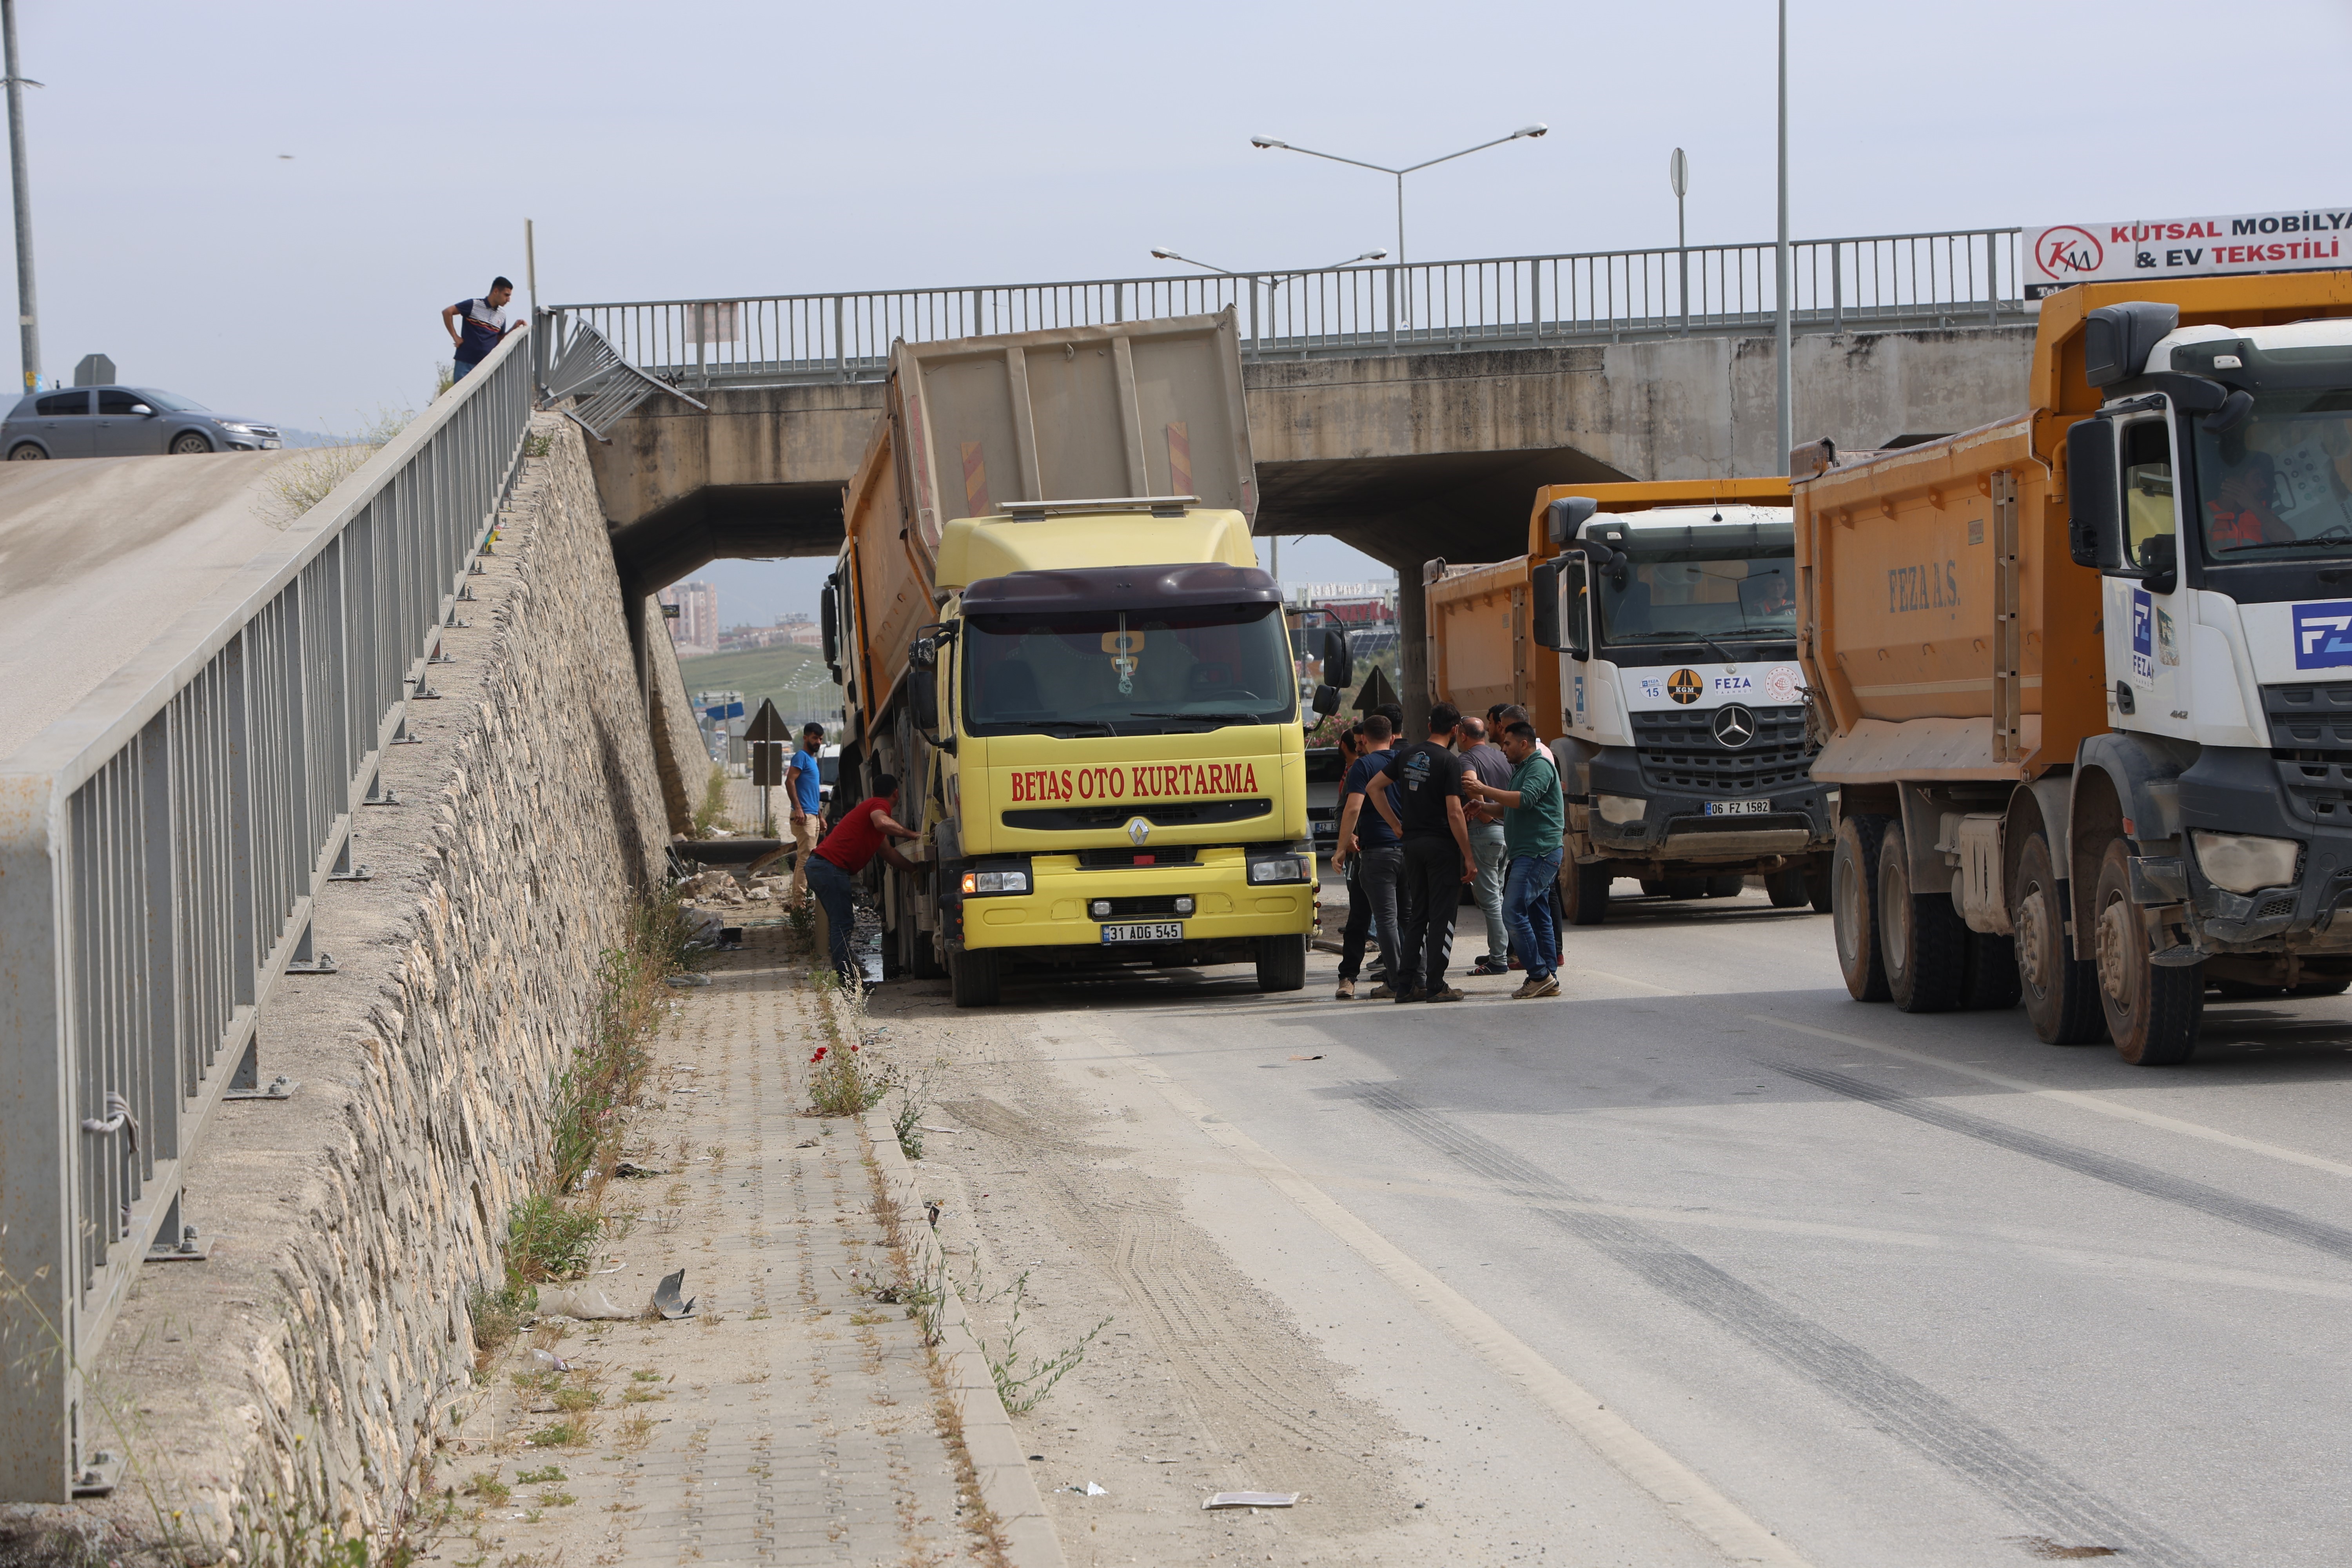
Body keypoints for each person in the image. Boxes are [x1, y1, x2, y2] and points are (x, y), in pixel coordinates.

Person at [1364, 703, 1476, 1003]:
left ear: (1429, 726)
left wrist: (1397, 825)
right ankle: (1436, 985)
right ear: (1455, 731)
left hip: (1411, 845)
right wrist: (1468, 854)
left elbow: (1374, 788)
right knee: (1442, 917)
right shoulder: (1449, 762)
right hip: (1441, 847)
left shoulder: (1407, 755)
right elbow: (1455, 812)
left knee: (1417, 916)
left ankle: (1406, 986)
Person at [1463, 720, 1566, 999]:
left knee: (1511, 911)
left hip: (1538, 852)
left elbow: (1525, 800)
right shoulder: (1521, 769)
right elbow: (1511, 806)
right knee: (1538, 913)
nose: (1503, 748)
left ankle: (1538, 975)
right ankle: (1547, 977)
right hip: (1529, 852)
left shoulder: (1540, 766)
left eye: (1507, 743)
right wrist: (1483, 805)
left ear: (1524, 744)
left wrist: (1483, 787)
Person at [806, 772, 920, 990]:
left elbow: (888, 853)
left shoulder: (868, 810)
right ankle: (848, 981)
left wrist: (912, 869)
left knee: (841, 922)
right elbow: (881, 822)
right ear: (896, 793)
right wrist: (912, 835)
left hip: (821, 867)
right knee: (843, 923)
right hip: (829, 867)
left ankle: (847, 974)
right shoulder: (878, 805)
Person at [1331, 714, 1401, 999]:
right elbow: (1344, 811)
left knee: (1381, 920)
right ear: (1393, 736)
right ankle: (1351, 977)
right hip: (1393, 850)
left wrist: (1341, 845)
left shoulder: (1364, 766)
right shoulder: (1404, 761)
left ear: (1363, 740)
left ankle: (1397, 977)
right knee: (1386, 919)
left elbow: (1351, 809)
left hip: (1374, 854)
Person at [1455, 716, 1512, 976]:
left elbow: (1469, 781)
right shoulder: (1501, 756)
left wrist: (1482, 811)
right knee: (1498, 896)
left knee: (1490, 900)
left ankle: (1499, 959)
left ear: (1462, 736)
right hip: (1507, 832)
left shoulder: (1467, 758)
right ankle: (1500, 950)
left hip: (1485, 832)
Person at [442, 277, 520, 383]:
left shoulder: (502, 316)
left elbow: (499, 339)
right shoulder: (474, 305)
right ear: (496, 291)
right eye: (506, 295)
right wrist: (455, 337)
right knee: (462, 398)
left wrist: (514, 328)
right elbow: (447, 312)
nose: (509, 300)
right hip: (465, 363)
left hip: (486, 366)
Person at [783, 722, 827, 907]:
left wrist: (820, 816)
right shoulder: (801, 757)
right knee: (805, 859)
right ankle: (799, 902)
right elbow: (789, 782)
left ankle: (804, 899)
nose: (818, 742)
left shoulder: (812, 760)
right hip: (804, 817)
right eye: (815, 738)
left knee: (810, 858)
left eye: (820, 739)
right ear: (806, 738)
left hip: (813, 816)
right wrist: (798, 809)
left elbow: (812, 793)